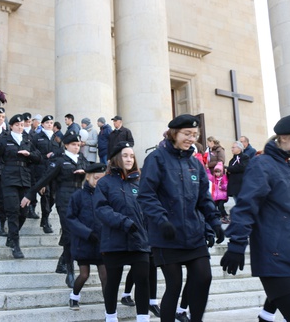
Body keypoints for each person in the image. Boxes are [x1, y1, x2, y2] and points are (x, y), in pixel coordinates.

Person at [221, 114, 290, 322]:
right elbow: (246, 207)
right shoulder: (262, 165)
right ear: (282, 138)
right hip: (276, 263)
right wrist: (236, 244)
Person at [138, 114, 224, 322]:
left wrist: (214, 222)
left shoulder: (195, 164)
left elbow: (204, 197)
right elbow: (146, 194)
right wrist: (161, 220)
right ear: (174, 133)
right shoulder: (156, 159)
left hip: (193, 233)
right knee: (174, 285)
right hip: (167, 235)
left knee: (204, 278)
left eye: (195, 135)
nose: (191, 138)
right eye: (187, 134)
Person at [21, 130, 88, 288]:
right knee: (70, 232)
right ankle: (70, 271)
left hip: (81, 199)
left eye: (78, 145)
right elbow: (46, 178)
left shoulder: (82, 159)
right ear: (66, 145)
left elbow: (94, 175)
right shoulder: (59, 161)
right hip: (64, 199)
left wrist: (85, 172)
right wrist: (30, 194)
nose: (76, 148)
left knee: (73, 233)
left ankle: (62, 262)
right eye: (73, 145)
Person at [94, 141, 150, 322]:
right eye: (125, 155)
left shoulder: (140, 182)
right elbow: (101, 209)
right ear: (117, 158)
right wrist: (124, 223)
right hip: (114, 241)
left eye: (132, 156)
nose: (129, 159)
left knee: (142, 279)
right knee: (113, 282)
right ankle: (111, 317)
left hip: (139, 240)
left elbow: (149, 208)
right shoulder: (104, 183)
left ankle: (143, 318)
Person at [0, 114, 41, 258]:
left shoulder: (27, 140)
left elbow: (39, 158)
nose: (20, 127)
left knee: (24, 212)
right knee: (13, 211)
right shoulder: (5, 141)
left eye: (22, 125)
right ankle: (16, 244)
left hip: (25, 179)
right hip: (9, 178)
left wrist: (29, 154)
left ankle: (11, 236)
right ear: (11, 126)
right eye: (17, 125)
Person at [66, 162, 107, 311]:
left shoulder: (105, 195)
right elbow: (70, 218)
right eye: (96, 178)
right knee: (84, 274)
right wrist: (87, 233)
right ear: (88, 177)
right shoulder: (78, 195)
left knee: (105, 275)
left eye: (101, 179)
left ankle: (109, 304)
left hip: (101, 243)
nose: (98, 182)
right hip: (83, 243)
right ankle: (74, 296)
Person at [30, 115, 63, 234]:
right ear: (42, 124)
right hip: (40, 170)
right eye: (47, 122)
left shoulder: (57, 139)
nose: (49, 124)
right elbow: (32, 153)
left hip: (53, 171)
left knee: (52, 197)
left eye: (51, 123)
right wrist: (44, 157)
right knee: (46, 195)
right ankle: (45, 220)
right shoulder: (37, 137)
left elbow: (60, 154)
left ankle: (45, 217)